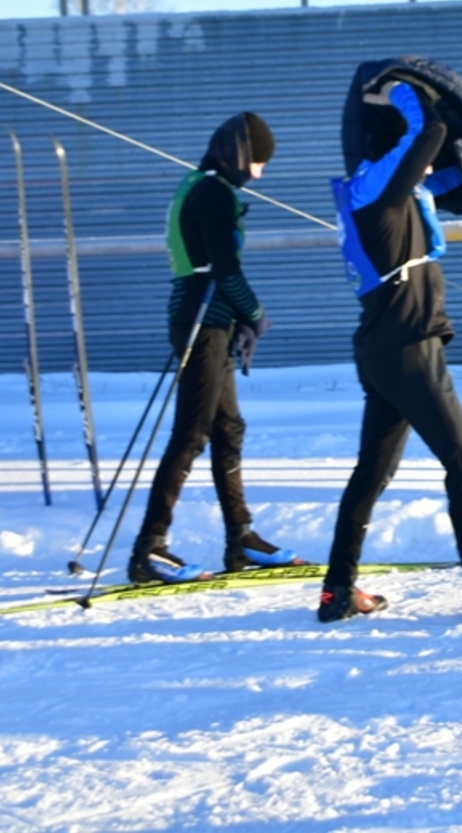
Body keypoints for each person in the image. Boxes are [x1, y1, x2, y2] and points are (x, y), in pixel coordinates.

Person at [320, 69, 462, 623]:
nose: (424, 166)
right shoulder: (376, 192)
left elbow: (450, 177)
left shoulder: (383, 194)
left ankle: (337, 589)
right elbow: (430, 131)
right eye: (413, 158)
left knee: (371, 473)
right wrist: (399, 91)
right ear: (392, 150)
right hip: (407, 348)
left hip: (387, 351)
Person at [127, 112, 298, 584]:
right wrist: (255, 315)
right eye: (258, 162)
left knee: (228, 428)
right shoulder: (213, 192)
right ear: (239, 153)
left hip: (211, 319)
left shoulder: (202, 185)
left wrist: (238, 321)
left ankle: (240, 536)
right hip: (200, 320)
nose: (259, 174)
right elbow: (223, 268)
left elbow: (213, 265)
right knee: (191, 434)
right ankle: (148, 548)